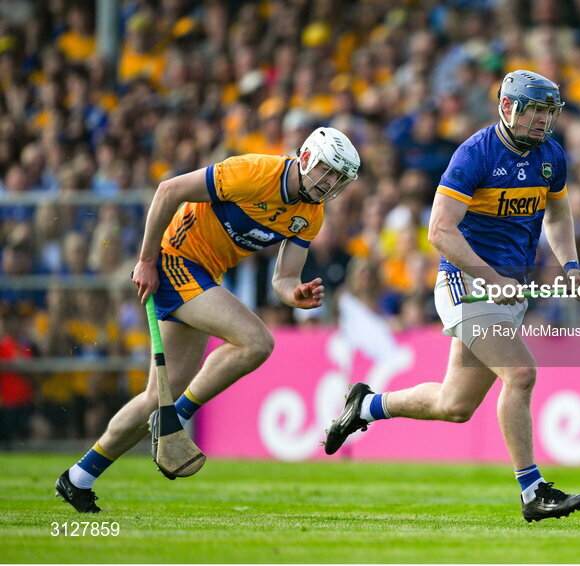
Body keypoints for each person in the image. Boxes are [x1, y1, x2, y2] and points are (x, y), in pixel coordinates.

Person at [324, 71, 580, 523]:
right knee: (521, 374)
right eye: (535, 111)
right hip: (465, 283)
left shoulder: (551, 156)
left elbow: (558, 216)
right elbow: (439, 230)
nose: (544, 121)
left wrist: (570, 266)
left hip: (510, 288)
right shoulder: (475, 154)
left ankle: (366, 405)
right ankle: (532, 491)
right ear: (508, 108)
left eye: (550, 111)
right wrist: (490, 279)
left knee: (455, 405)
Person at [55, 127, 361, 512]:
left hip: (203, 276)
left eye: (339, 179)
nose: (331, 183)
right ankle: (177, 415)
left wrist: (294, 296)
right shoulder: (254, 173)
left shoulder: (310, 216)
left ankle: (78, 478)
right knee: (257, 341)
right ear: (305, 158)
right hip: (174, 261)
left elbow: (283, 279)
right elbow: (169, 190)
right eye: (328, 171)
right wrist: (147, 259)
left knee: (155, 398)